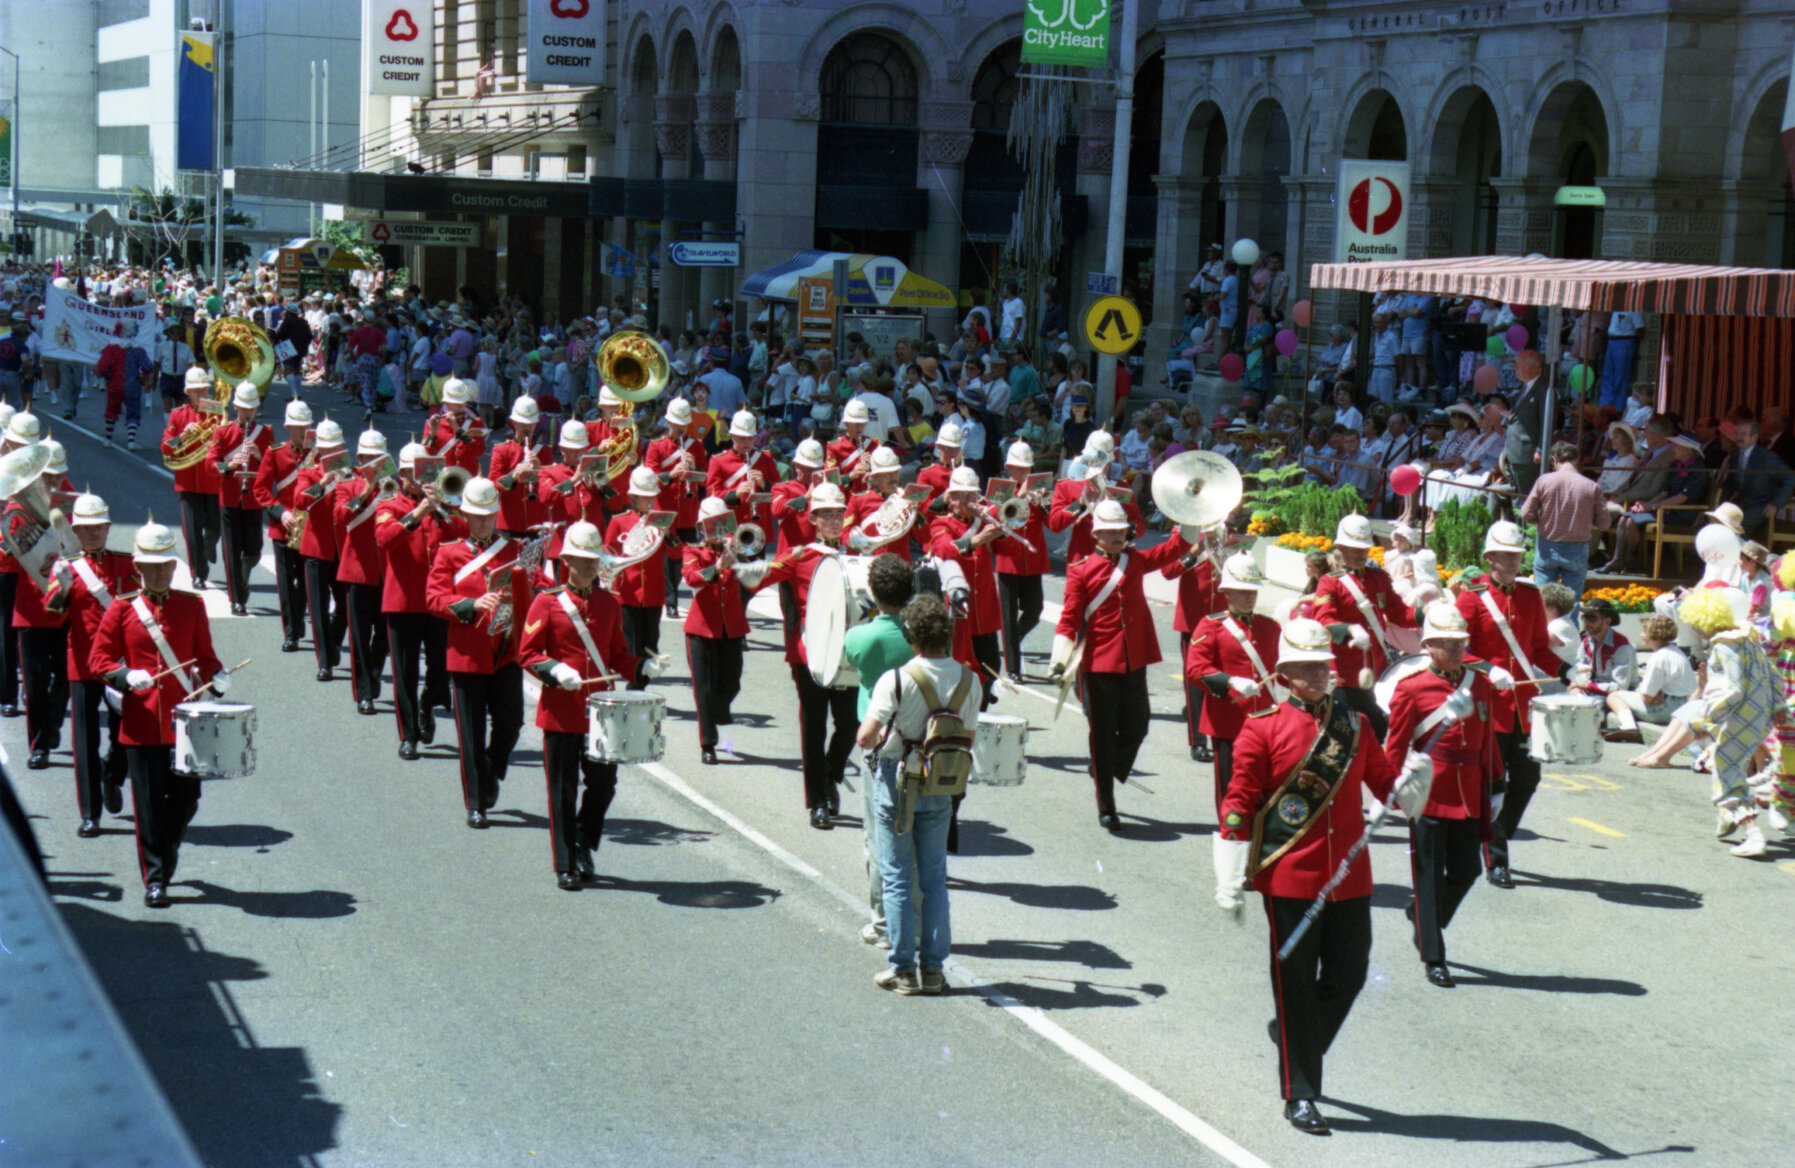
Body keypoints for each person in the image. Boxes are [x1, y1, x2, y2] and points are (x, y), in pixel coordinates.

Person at [1213, 618, 1402, 1136]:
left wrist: (1412, 789)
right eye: (1305, 668)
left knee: (1350, 976)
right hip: (1290, 879)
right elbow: (1239, 803)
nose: (1316, 675)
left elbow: (1385, 784)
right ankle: (1300, 1094)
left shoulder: (1355, 728)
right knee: (1295, 987)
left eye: (1321, 666)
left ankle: (1295, 1037)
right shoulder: (1263, 727)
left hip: (1349, 878)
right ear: (1285, 675)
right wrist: (1229, 873)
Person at [91, 522, 227, 908]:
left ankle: (165, 857)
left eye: (166, 565)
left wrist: (218, 679)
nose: (161, 572)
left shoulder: (191, 605)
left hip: (185, 723)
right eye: (152, 566)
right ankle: (155, 879)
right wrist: (124, 675)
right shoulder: (121, 609)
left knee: (187, 800)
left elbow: (206, 657)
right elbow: (98, 659)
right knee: (148, 806)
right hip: (141, 722)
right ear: (139, 569)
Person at [855, 592, 979, 995]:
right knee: (935, 877)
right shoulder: (969, 680)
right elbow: (969, 737)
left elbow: (866, 736)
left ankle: (904, 968)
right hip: (942, 785)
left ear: (912, 637)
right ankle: (934, 969)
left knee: (895, 876)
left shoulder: (897, 679)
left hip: (898, 780)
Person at [519, 520, 648, 890]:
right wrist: (555, 669)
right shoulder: (547, 602)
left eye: (593, 560)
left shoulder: (609, 603)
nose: (589, 566)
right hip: (561, 710)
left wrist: (642, 666)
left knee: (604, 786)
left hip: (600, 713)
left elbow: (617, 655)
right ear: (567, 562)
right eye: (581, 560)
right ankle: (565, 863)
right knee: (562, 790)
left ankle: (582, 841)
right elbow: (526, 653)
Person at [1051, 500, 1190, 830]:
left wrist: (1190, 515)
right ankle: (1107, 804)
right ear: (1096, 534)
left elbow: (1177, 548)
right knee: (1102, 735)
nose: (1117, 536)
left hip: (1134, 657)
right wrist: (1059, 660)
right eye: (1110, 532)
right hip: (1099, 662)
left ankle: (1104, 768)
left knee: (1138, 725)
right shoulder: (1081, 570)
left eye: (1121, 531)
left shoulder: (1136, 560)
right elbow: (1069, 618)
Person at [1386, 603, 1497, 988]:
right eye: (1445, 643)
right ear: (1428, 645)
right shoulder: (1411, 688)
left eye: (1458, 643)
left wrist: (1495, 784)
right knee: (1429, 878)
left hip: (1468, 790)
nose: (1453, 650)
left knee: (1467, 871)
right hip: (1429, 791)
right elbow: (1395, 746)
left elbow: (1487, 742)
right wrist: (1390, 790)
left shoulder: (1479, 683)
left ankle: (1423, 917)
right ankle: (1434, 956)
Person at [1628, 589, 1777, 857]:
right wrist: (1776, 710)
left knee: (1727, 774)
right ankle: (1727, 816)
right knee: (1732, 767)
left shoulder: (1724, 646)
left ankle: (1753, 833)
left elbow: (1732, 690)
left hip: (1736, 718)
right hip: (1758, 718)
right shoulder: (1750, 639)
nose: (1693, 628)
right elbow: (1772, 677)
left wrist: (1708, 717)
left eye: (1695, 622)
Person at [425, 476, 532, 829]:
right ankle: (476, 804)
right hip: (468, 653)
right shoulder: (449, 552)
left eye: (489, 515)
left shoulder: (514, 550)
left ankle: (489, 769)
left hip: (505, 651)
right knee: (470, 733)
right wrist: (471, 603)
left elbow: (539, 587)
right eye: (477, 515)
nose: (484, 521)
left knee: (511, 722)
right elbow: (435, 598)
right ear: (466, 516)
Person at [1456, 521, 1550, 888]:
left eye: (1517, 555)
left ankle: (1494, 835)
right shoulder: (1471, 597)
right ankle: (1497, 861)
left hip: (1523, 707)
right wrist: (1487, 668)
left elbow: (1539, 649)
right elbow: (1455, 648)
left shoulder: (1529, 596)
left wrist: (1575, 670)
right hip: (1487, 705)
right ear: (1489, 558)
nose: (1512, 561)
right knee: (1495, 783)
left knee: (1528, 778)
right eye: (1505, 555)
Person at [45, 493, 137, 836]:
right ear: (76, 532)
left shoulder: (126, 565)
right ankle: (90, 814)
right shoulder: (68, 567)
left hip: (118, 663)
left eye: (99, 528)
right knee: (84, 740)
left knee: (125, 735)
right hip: (82, 661)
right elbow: (52, 612)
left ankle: (112, 776)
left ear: (108, 528)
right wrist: (61, 588)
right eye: (86, 529)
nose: (94, 534)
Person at [842, 554, 918, 951]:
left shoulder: (863, 636)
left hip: (879, 743)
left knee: (879, 835)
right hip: (922, 742)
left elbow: (837, 655)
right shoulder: (921, 630)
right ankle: (916, 918)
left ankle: (884, 921)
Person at [376, 442, 461, 760]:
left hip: (438, 600)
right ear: (402, 476)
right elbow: (385, 538)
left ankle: (428, 703)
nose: (424, 479)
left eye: (429, 472)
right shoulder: (390, 503)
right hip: (403, 601)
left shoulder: (442, 506)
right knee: (405, 672)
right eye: (417, 473)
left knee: (441, 667)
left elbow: (464, 533)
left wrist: (444, 510)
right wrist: (420, 512)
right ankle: (408, 734)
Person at [1185, 553, 1280, 815]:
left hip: (1264, 721)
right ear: (1227, 592)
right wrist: (1231, 681)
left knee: (1264, 788)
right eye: (1242, 591)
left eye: (1252, 590)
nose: (1249, 596)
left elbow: (1283, 669)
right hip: (1228, 720)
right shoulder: (1211, 626)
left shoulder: (1269, 627)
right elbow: (1195, 670)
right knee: (1230, 793)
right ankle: (1231, 842)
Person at [1310, 513, 1417, 740]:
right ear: (1340, 547)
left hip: (1378, 670)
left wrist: (1428, 613)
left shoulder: (1379, 578)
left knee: (1377, 733)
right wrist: (1348, 630)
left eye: (1364, 548)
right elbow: (1323, 620)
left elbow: (1399, 613)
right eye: (1353, 548)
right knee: (1344, 738)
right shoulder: (1330, 583)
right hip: (1345, 674)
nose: (1360, 553)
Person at [332, 430, 394, 714]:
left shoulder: (394, 485)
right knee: (359, 635)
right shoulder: (348, 484)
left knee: (383, 634)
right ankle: (364, 693)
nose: (372, 464)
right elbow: (341, 516)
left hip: (387, 571)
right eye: (367, 458)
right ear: (359, 459)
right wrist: (369, 491)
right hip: (357, 569)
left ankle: (374, 672)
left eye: (377, 458)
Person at [253, 398, 314, 652]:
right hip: (284, 527)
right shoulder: (275, 452)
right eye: (298, 427)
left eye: (306, 426)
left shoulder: (319, 453)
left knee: (306, 582)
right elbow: (261, 489)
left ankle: (300, 621)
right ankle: (291, 631)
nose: (303, 431)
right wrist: (280, 512)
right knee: (287, 583)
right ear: (288, 428)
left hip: (311, 529)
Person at [207, 383, 272, 616]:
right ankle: (237, 599)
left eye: (251, 409)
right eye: (243, 408)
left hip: (254, 498)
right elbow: (210, 463)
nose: (247, 413)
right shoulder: (222, 432)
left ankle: (244, 576)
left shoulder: (265, 433)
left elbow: (275, 467)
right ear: (235, 406)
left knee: (254, 550)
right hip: (230, 497)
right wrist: (229, 465)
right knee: (232, 550)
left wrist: (259, 455)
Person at [293, 421, 350, 680]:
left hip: (343, 549)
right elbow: (299, 500)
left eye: (334, 448)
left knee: (346, 605)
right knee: (318, 607)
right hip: (316, 547)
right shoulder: (309, 471)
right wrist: (324, 482)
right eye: (325, 448)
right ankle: (325, 662)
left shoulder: (352, 472)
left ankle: (335, 641)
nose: (330, 453)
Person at [1521, 441, 1610, 601]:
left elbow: (1526, 513)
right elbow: (1605, 523)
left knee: (1543, 601)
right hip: (1577, 547)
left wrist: (1541, 520)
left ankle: (1544, 626)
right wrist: (1587, 522)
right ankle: (1570, 626)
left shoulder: (1544, 481)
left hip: (1547, 545)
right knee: (1572, 603)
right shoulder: (1591, 486)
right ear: (1576, 460)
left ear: (1554, 459)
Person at [162, 366, 224, 588]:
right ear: (188, 392)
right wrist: (180, 437)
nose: (201, 394)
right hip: (187, 481)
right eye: (196, 390)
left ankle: (209, 545)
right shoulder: (178, 414)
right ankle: (198, 573)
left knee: (215, 528)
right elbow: (166, 447)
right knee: (192, 532)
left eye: (204, 390)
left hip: (212, 481)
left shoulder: (217, 410)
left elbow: (227, 438)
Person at [1600, 614, 1697, 743]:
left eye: (1644, 631)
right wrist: (1656, 692)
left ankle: (1629, 727)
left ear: (1653, 634)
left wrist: (1650, 695)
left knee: (1614, 696)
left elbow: (1646, 696)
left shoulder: (1658, 657)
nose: (1641, 634)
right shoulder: (1676, 652)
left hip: (1667, 708)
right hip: (1684, 705)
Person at [1715, 417, 1793, 542]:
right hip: (1741, 502)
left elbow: (1790, 478)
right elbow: (1730, 480)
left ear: (1754, 437)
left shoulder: (1767, 457)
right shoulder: (1735, 453)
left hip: (1760, 505)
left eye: (1743, 434)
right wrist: (1722, 503)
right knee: (1718, 525)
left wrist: (1775, 504)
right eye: (1737, 434)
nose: (1739, 438)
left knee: (1736, 532)